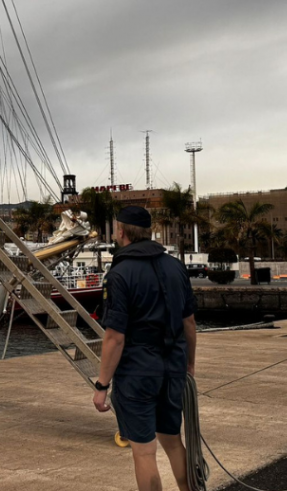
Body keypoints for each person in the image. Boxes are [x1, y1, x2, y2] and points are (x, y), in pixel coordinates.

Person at [92, 206, 198, 491]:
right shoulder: (176, 267)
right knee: (173, 441)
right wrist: (189, 364)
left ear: (121, 232)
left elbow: (115, 337)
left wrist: (102, 385)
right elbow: (189, 322)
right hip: (173, 367)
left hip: (137, 371)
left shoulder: (119, 273)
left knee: (144, 452)